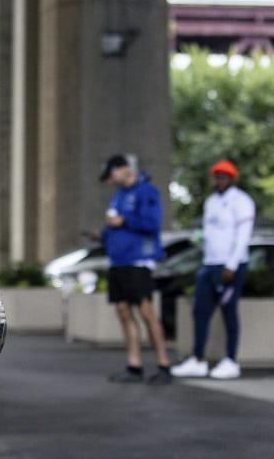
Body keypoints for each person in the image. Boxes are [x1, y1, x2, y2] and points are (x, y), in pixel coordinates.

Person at [171, 159, 255, 380]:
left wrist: (232, 265)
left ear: (232, 178)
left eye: (223, 176)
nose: (219, 180)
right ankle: (197, 359)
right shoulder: (211, 202)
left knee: (229, 312)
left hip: (229, 265)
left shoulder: (242, 201)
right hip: (209, 263)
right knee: (200, 311)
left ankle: (230, 360)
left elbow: (242, 237)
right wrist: (199, 242)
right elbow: (210, 233)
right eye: (217, 176)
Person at [98, 154, 172, 385]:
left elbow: (152, 224)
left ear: (123, 169)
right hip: (118, 262)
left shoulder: (147, 191)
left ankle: (163, 364)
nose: (110, 181)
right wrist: (102, 235)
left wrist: (124, 220)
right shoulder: (118, 196)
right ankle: (134, 365)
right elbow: (113, 226)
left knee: (146, 312)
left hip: (138, 261)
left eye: (111, 175)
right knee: (123, 310)